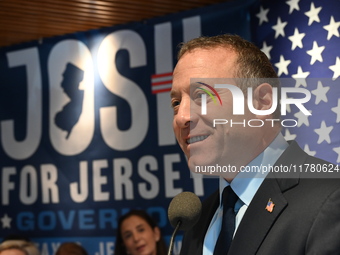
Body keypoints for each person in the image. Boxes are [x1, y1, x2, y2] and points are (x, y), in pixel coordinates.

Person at [170, 34, 340, 254]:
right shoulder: (197, 221)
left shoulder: (330, 200)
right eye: (176, 102)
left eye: (202, 95)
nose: (182, 117)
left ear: (262, 102)